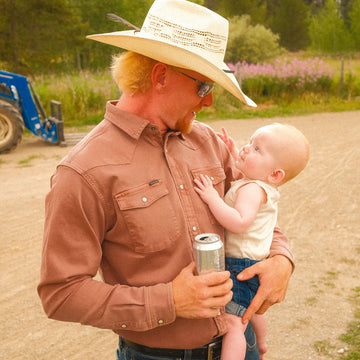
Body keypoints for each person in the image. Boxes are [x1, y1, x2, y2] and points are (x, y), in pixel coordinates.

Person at [37, 1, 294, 359]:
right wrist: (170, 301)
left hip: (242, 342)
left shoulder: (206, 141)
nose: (209, 103)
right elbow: (61, 294)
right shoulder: (83, 172)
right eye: (204, 86)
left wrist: (282, 260)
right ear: (160, 77)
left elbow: (255, 207)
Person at [194, 124, 310, 360]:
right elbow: (248, 167)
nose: (247, 149)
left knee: (234, 323)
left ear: (275, 174)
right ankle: (262, 343)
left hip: (239, 264)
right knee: (253, 308)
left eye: (257, 149)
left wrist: (211, 197)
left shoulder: (251, 190)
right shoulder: (261, 185)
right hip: (254, 261)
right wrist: (235, 151)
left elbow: (238, 222)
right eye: (250, 142)